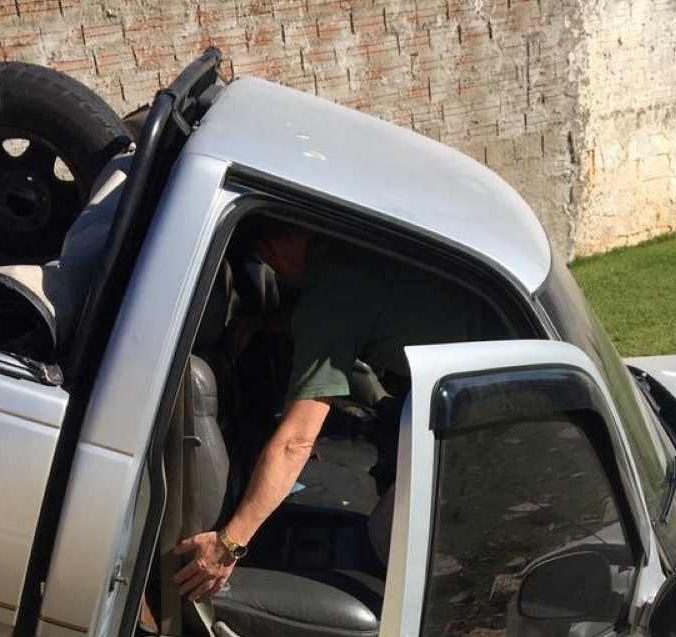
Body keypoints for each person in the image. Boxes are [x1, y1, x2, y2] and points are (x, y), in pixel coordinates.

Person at [174, 221, 501, 601]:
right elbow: (329, 318)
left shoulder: (331, 293)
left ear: (273, 251)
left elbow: (295, 441)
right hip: (477, 389)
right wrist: (262, 323)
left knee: (391, 545)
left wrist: (229, 545)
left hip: (492, 412)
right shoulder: (344, 251)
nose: (277, 274)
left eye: (270, 265)